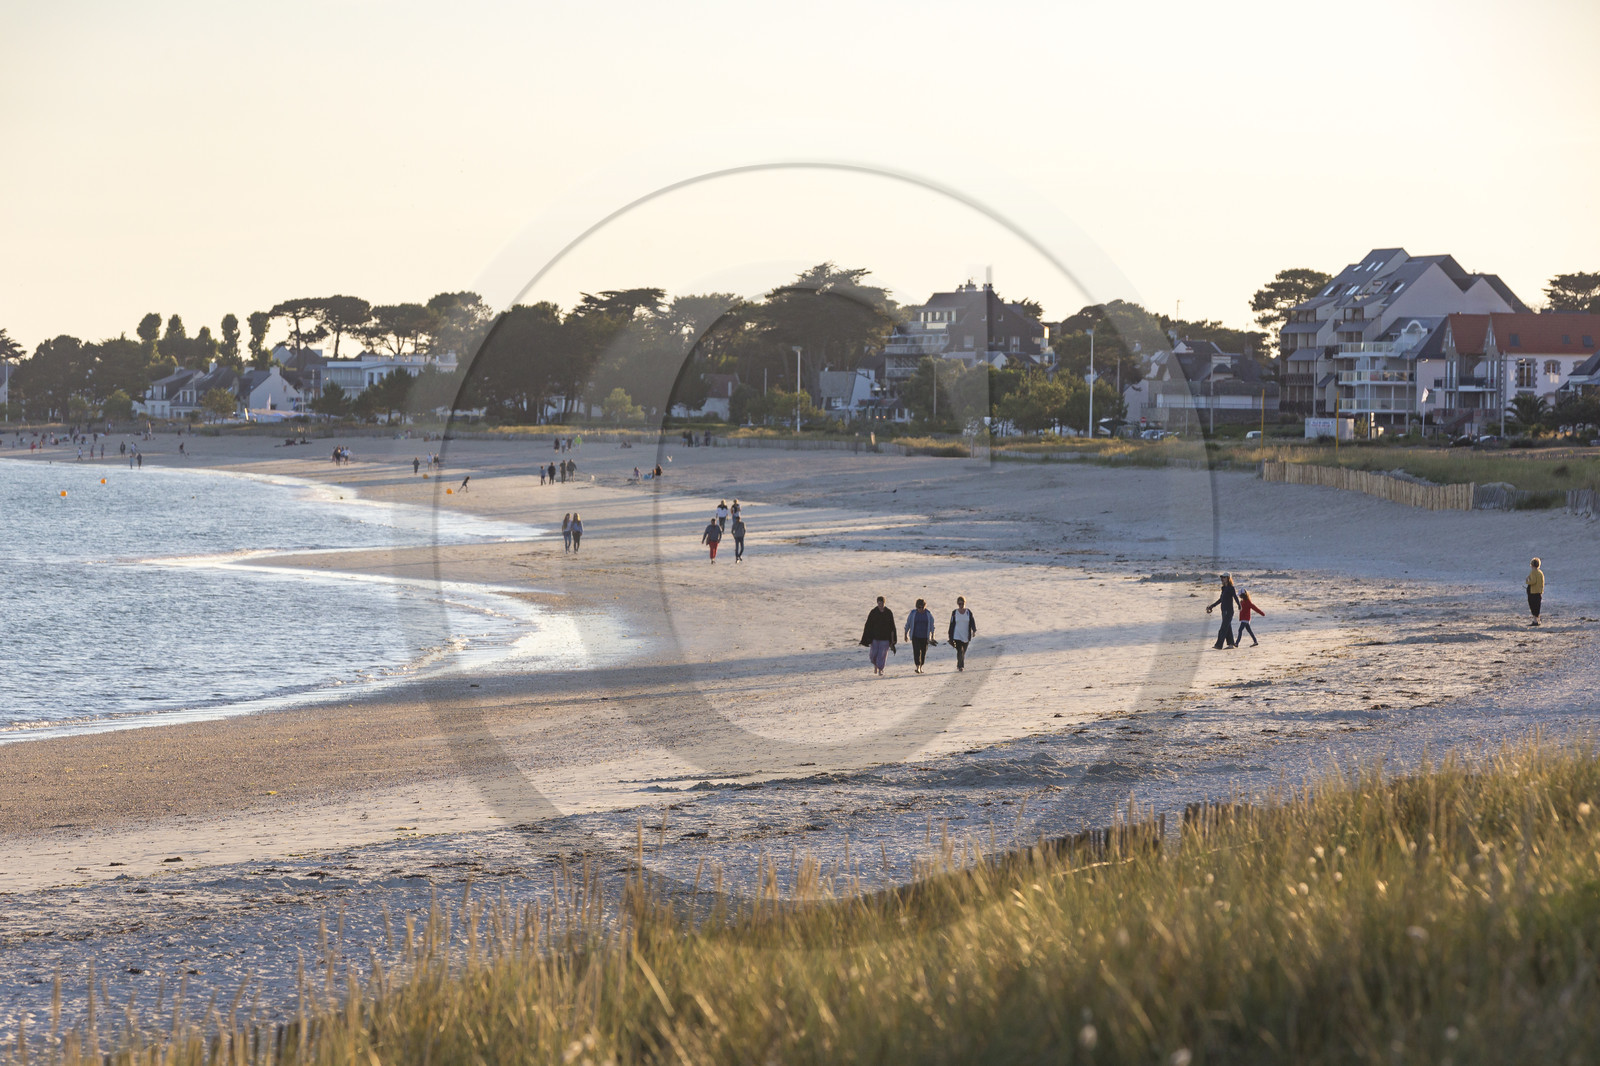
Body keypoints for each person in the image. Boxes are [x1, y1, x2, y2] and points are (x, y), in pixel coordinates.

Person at [859, 596, 897, 676]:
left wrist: (893, 640)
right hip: (875, 638)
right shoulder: (873, 612)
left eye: (882, 603)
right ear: (877, 603)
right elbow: (868, 625)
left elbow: (892, 626)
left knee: (882, 655)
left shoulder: (888, 612)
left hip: (885, 638)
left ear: (884, 603)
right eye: (879, 603)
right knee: (873, 655)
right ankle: (875, 665)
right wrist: (866, 637)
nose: (880, 604)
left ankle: (880, 669)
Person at [1206, 573, 1239, 649]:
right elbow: (1221, 599)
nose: (1222, 579)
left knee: (1223, 628)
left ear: (1228, 578)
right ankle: (1231, 644)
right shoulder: (1223, 588)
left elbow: (1235, 597)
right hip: (1223, 610)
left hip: (1229, 611)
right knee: (1227, 627)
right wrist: (1212, 606)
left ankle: (1218, 645)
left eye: (1224, 577)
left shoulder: (1231, 588)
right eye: (1221, 577)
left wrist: (1239, 605)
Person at [904, 598, 938, 674]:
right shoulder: (913, 614)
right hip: (915, 636)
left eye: (922, 607)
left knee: (923, 652)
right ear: (916, 607)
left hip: (925, 636)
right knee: (916, 651)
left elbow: (932, 625)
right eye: (919, 607)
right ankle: (917, 666)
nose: (921, 609)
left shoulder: (928, 614)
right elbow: (908, 624)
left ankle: (921, 666)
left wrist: (932, 635)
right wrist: (905, 634)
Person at [948, 596, 976, 672]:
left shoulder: (968, 612)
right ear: (957, 604)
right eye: (959, 603)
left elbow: (972, 621)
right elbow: (951, 624)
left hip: (966, 635)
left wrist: (974, 630)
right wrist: (950, 636)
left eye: (962, 603)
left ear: (965, 603)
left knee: (963, 652)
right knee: (960, 651)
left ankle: (959, 664)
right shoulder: (955, 613)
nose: (961, 605)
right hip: (957, 635)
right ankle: (961, 666)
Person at [1526, 558, 1544, 626]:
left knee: (1533, 606)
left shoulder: (1533, 572)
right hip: (1539, 592)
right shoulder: (1540, 572)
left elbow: (1533, 581)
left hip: (1533, 591)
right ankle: (1537, 620)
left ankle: (1535, 621)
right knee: (1537, 606)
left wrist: (1527, 580)